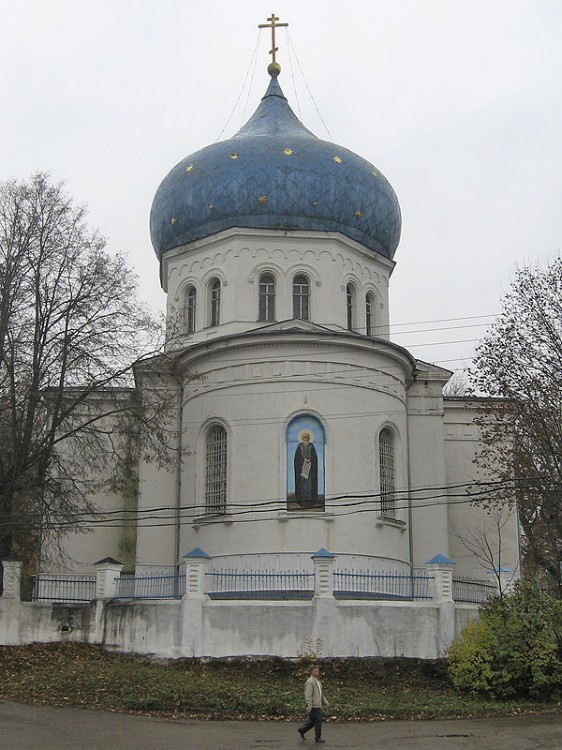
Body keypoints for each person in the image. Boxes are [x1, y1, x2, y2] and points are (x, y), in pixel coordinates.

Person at [298, 665, 329, 743]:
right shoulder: (309, 682)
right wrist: (309, 705)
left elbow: (321, 694)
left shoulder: (318, 682)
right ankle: (318, 738)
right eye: (316, 671)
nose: (317, 672)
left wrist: (325, 702)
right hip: (314, 706)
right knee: (318, 721)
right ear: (311, 672)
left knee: (313, 722)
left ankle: (302, 730)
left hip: (318, 705)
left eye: (318, 671)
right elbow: (308, 695)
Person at [294, 431, 318, 507]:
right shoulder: (300, 446)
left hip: (310, 470)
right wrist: (303, 460)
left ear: (309, 438)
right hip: (302, 470)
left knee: (310, 485)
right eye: (304, 437)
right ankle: (301, 501)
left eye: (307, 437)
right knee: (302, 485)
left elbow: (314, 458)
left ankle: (311, 501)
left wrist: (310, 460)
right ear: (302, 438)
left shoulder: (311, 446)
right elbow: (296, 459)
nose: (306, 439)